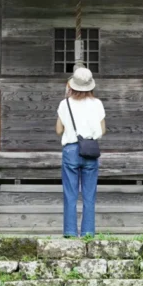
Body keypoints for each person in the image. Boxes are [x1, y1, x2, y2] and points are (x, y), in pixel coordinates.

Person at [55, 67, 106, 237]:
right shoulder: (97, 103)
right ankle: (88, 232)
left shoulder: (65, 104)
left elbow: (59, 130)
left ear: (72, 85)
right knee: (89, 194)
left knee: (70, 194)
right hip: (89, 149)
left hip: (71, 150)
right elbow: (102, 130)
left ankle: (70, 232)